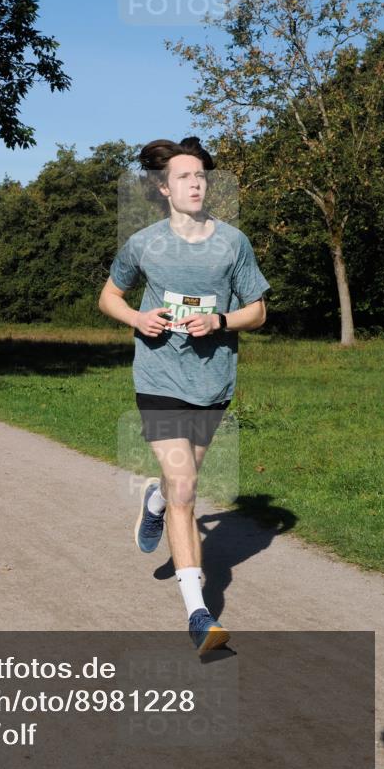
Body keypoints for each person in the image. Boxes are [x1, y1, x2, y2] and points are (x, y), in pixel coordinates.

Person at [98, 136, 269, 654]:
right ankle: (198, 612)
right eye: (185, 177)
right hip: (158, 379)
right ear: (163, 187)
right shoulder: (144, 242)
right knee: (187, 489)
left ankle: (153, 498)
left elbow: (258, 311)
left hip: (213, 382)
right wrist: (136, 317)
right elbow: (110, 295)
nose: (195, 184)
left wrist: (219, 319)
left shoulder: (232, 243)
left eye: (201, 176)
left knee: (177, 487)